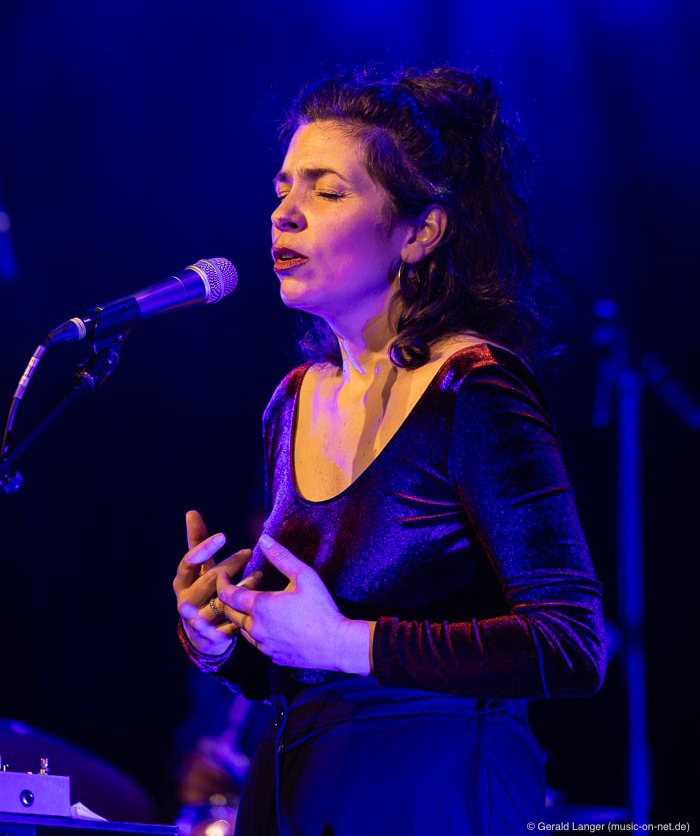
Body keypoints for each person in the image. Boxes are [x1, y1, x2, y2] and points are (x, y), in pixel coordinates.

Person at [173, 67, 606, 835]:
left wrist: (346, 642)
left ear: (419, 231)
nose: (285, 213)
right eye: (283, 188)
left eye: (327, 191)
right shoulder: (292, 401)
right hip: (295, 782)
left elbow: (571, 644)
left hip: (431, 787)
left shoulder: (473, 387)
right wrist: (219, 637)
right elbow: (295, 664)